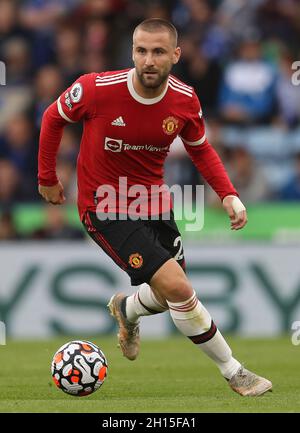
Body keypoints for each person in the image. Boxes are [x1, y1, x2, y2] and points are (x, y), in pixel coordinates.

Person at [38, 18, 272, 397]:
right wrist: (47, 177)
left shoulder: (184, 99)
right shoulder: (95, 89)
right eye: (141, 50)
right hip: (104, 206)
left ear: (175, 55)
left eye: (159, 51)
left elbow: (201, 148)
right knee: (179, 287)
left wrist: (228, 193)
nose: (148, 59)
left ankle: (126, 309)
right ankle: (235, 372)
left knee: (167, 297)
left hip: (153, 203)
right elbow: (52, 117)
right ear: (132, 52)